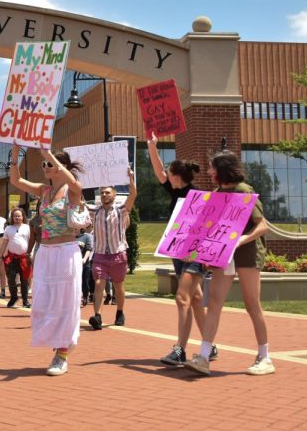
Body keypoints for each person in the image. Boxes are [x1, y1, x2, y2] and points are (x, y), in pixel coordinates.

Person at [184, 150, 273, 376]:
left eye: (213, 167)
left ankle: (265, 357)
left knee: (252, 303)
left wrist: (242, 239)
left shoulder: (243, 190)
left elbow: (262, 225)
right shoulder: (216, 193)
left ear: (223, 168)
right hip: (222, 254)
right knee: (214, 303)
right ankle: (203, 357)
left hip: (247, 253)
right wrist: (198, 252)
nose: (210, 171)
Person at [9, 144, 84, 376]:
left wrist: (49, 154)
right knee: (45, 300)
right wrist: (14, 155)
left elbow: (74, 183)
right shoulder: (44, 191)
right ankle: (58, 341)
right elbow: (17, 181)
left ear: (62, 167)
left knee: (65, 302)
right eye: (43, 164)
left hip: (66, 251)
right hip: (46, 252)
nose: (45, 167)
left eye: (49, 164)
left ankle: (62, 354)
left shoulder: (72, 191)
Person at [148, 133, 217, 365]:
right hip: (178, 251)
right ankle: (211, 346)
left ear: (176, 176)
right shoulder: (176, 191)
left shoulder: (199, 196)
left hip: (195, 254)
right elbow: (159, 171)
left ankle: (180, 349)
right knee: (195, 299)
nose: (165, 175)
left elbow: (209, 228)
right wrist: (151, 147)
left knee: (182, 298)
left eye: (169, 173)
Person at [87, 171, 136, 330]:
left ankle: (120, 312)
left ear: (114, 195)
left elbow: (133, 195)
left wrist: (130, 178)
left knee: (118, 286)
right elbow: (78, 200)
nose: (104, 195)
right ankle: (97, 316)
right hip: (100, 254)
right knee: (99, 283)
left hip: (118, 254)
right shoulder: (94, 211)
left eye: (107, 192)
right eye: (101, 193)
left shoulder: (121, 210)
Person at [0, 207, 32, 308]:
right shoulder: (8, 228)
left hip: (24, 258)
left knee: (24, 280)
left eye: (19, 215)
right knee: (11, 279)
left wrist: (31, 254)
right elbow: (5, 242)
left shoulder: (27, 227)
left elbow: (32, 241)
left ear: (23, 217)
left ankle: (25, 300)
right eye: (15, 216)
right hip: (12, 258)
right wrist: (0, 255)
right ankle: (13, 297)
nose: (17, 217)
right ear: (12, 217)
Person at [75, 228, 94, 307]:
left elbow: (88, 249)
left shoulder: (87, 237)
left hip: (84, 263)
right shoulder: (70, 237)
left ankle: (85, 296)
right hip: (74, 264)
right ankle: (76, 299)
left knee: (85, 282)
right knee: (75, 282)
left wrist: (84, 259)